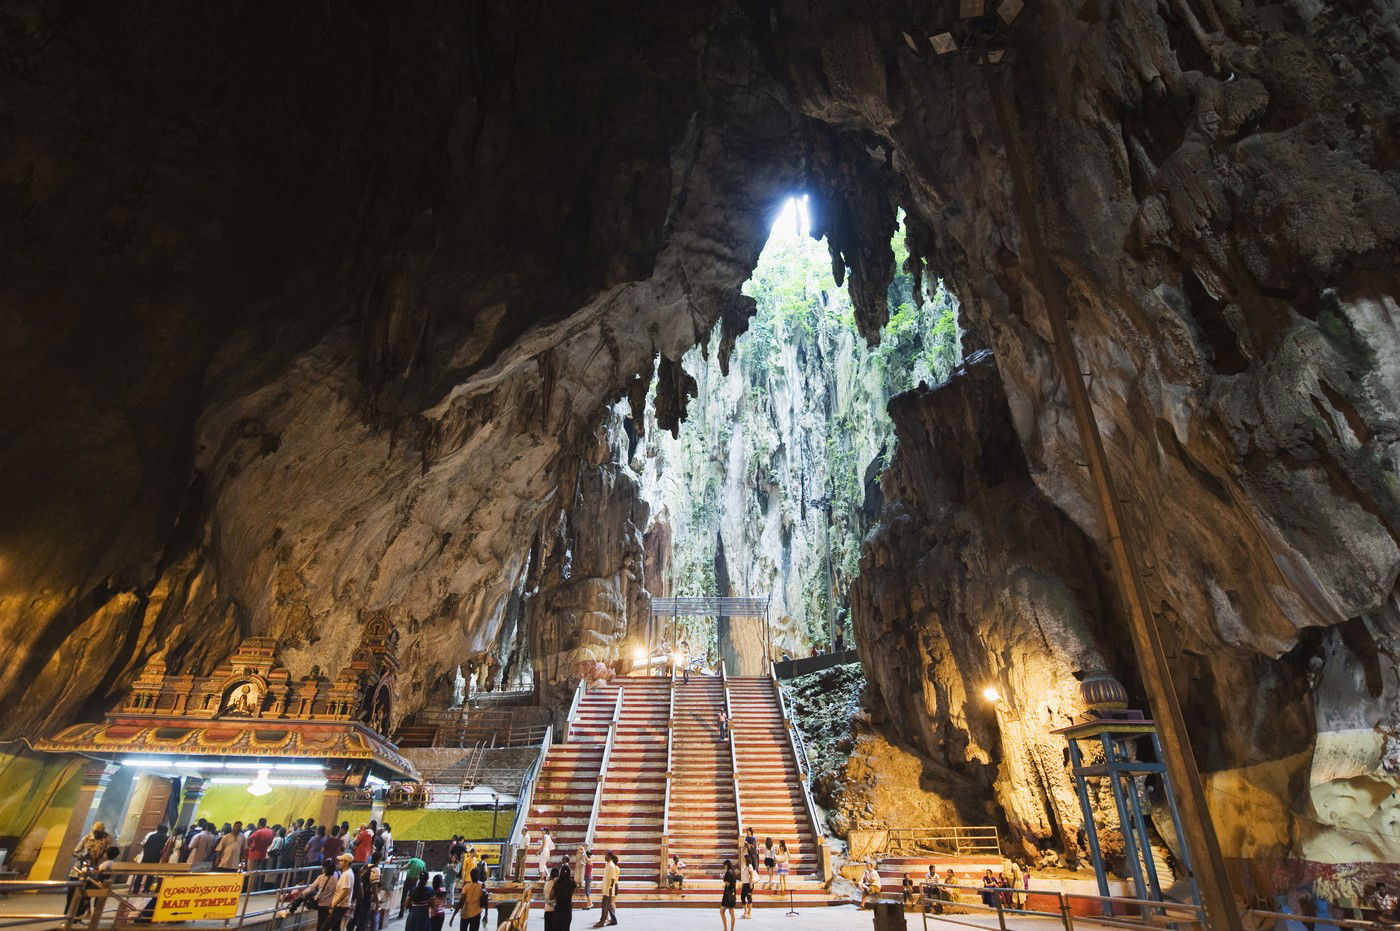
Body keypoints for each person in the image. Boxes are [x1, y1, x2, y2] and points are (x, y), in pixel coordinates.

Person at [328, 854, 356, 931]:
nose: (339, 862)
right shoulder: (346, 873)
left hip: (340, 905)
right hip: (341, 905)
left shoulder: (347, 875)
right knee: (336, 927)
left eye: (341, 860)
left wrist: (334, 905)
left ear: (346, 862)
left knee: (327, 926)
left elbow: (345, 892)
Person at [592, 851, 619, 927]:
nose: (605, 857)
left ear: (609, 856)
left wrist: (610, 889)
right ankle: (614, 920)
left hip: (608, 890)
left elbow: (613, 879)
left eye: (606, 855)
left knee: (605, 906)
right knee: (609, 906)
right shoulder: (608, 865)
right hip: (606, 889)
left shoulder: (611, 866)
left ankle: (602, 921)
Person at [398, 853, 427, 917]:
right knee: (412, 897)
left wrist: (400, 868)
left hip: (408, 879)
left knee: (404, 896)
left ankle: (401, 913)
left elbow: (406, 866)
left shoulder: (413, 859)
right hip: (415, 881)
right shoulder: (423, 863)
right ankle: (410, 912)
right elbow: (424, 873)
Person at [720, 860, 738, 931]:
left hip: (727, 895)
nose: (724, 867)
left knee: (722, 911)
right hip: (732, 894)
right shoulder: (733, 872)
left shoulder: (728, 872)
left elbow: (728, 883)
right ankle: (731, 930)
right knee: (732, 913)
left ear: (726, 865)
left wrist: (722, 878)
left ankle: (725, 929)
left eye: (724, 865)